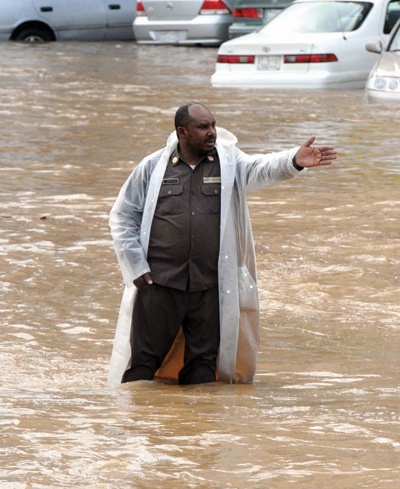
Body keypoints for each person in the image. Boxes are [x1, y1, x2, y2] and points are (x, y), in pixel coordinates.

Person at [107, 102, 337, 386]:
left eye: (213, 125)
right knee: (143, 364)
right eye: (203, 127)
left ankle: (201, 424)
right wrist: (135, 266)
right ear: (182, 132)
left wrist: (293, 160)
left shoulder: (229, 163)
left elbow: (260, 168)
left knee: (203, 367)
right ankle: (140, 423)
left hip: (210, 288)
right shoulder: (153, 167)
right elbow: (123, 214)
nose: (212, 132)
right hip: (159, 286)